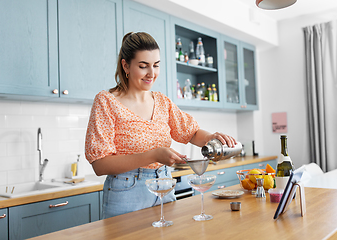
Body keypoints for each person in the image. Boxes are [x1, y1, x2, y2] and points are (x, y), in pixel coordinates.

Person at [85, 32, 237, 219]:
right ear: (126, 65)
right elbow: (100, 165)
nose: (151, 74)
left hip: (165, 185)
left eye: (156, 66)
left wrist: (210, 138)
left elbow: (191, 132)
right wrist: (154, 155)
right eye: (143, 66)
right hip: (126, 192)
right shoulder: (106, 102)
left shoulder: (162, 102)